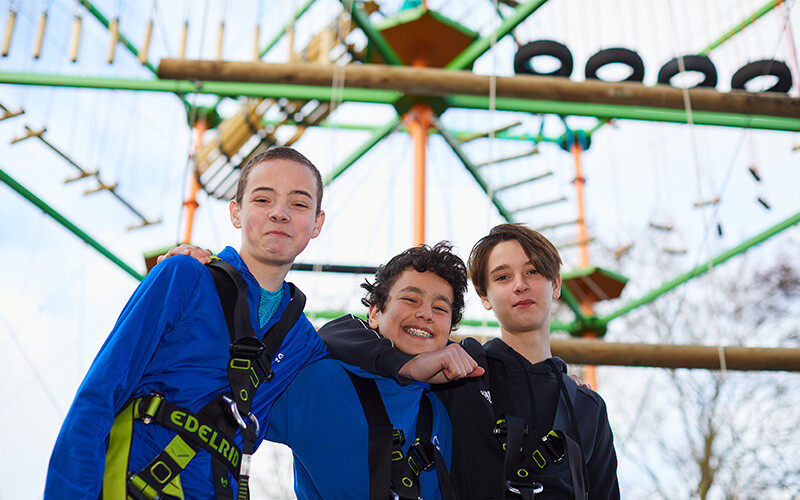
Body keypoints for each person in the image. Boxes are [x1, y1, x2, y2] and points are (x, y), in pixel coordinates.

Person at [44, 147, 328, 500]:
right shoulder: (183, 276)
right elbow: (101, 392)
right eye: (262, 199)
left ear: (317, 223)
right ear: (236, 212)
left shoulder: (301, 342)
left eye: (299, 204)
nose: (280, 213)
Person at [322, 224, 620, 499]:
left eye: (533, 272)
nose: (520, 285)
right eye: (502, 277)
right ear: (485, 296)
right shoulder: (462, 368)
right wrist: (409, 365)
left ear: (555, 285)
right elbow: (336, 335)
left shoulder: (587, 407)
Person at [266, 241, 481, 499]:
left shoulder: (436, 412)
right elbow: (228, 394)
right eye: (411, 299)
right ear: (375, 313)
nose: (426, 314)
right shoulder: (321, 381)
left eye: (440, 308)